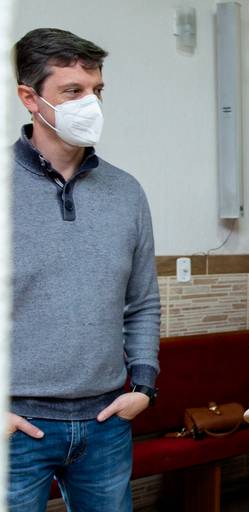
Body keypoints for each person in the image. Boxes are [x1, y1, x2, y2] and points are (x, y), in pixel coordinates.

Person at [8, 28, 160, 511]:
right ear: (29, 99)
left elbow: (143, 302)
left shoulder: (127, 192)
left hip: (106, 421)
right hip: (16, 426)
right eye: (72, 91)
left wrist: (144, 386)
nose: (90, 104)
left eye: (96, 90)